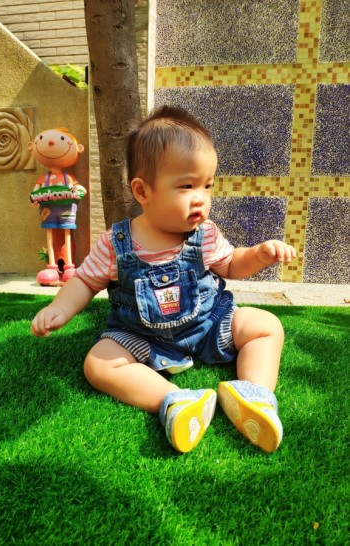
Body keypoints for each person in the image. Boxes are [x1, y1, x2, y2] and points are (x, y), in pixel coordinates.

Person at [31, 106, 297, 454]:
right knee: (98, 363)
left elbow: (232, 264)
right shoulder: (116, 243)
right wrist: (60, 308)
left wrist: (258, 255)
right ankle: (175, 401)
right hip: (141, 338)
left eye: (207, 185)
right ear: (142, 191)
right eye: (186, 186)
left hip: (209, 325)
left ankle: (254, 395)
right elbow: (84, 281)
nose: (201, 198)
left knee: (266, 326)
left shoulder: (205, 235)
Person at [28, 128, 86, 285]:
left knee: (67, 233)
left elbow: (79, 188)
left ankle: (69, 266)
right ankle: (52, 267)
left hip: (67, 209)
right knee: (50, 234)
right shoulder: (43, 179)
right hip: (48, 210)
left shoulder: (69, 178)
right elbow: (34, 193)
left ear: (78, 149)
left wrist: (79, 190)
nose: (51, 142)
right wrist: (34, 199)